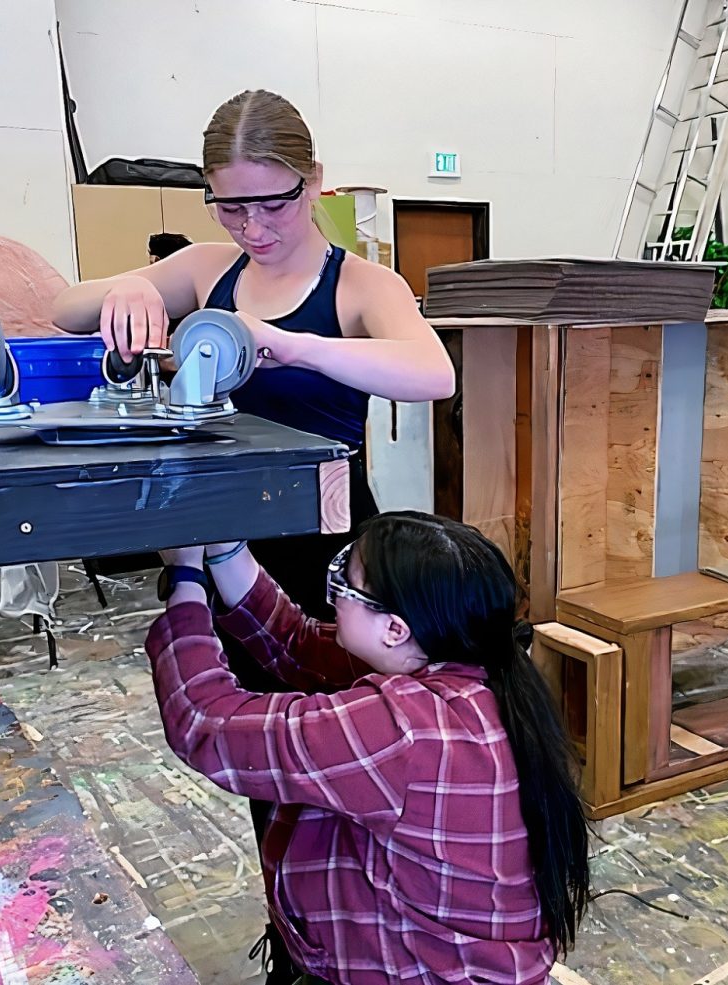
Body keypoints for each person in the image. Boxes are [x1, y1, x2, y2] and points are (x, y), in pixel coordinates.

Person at [54, 89, 455, 981]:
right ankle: (298, 934)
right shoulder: (205, 267)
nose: (253, 225)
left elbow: (431, 371)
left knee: (345, 762)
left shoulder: (358, 283)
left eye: (271, 201)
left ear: (312, 184)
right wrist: (122, 286)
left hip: (332, 556)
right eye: (229, 204)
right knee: (261, 762)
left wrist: (292, 343)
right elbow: (60, 306)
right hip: (224, 541)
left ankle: (363, 939)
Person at [148, 512, 590, 985]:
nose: (334, 592)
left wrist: (186, 582)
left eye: (346, 584)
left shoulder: (406, 732)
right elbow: (299, 645)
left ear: (396, 629)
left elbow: (207, 721)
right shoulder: (472, 666)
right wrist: (226, 552)